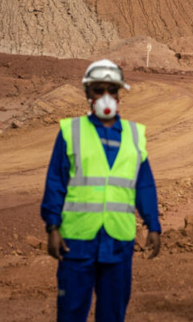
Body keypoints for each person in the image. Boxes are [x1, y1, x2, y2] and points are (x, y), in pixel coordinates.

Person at [40, 59, 161, 322]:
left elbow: (144, 184)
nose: (106, 97)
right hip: (77, 241)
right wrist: (53, 227)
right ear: (87, 94)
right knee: (71, 312)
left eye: (112, 90)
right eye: (98, 90)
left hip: (118, 240)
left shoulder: (134, 135)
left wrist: (153, 224)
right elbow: (55, 182)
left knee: (113, 313)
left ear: (119, 94)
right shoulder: (71, 132)